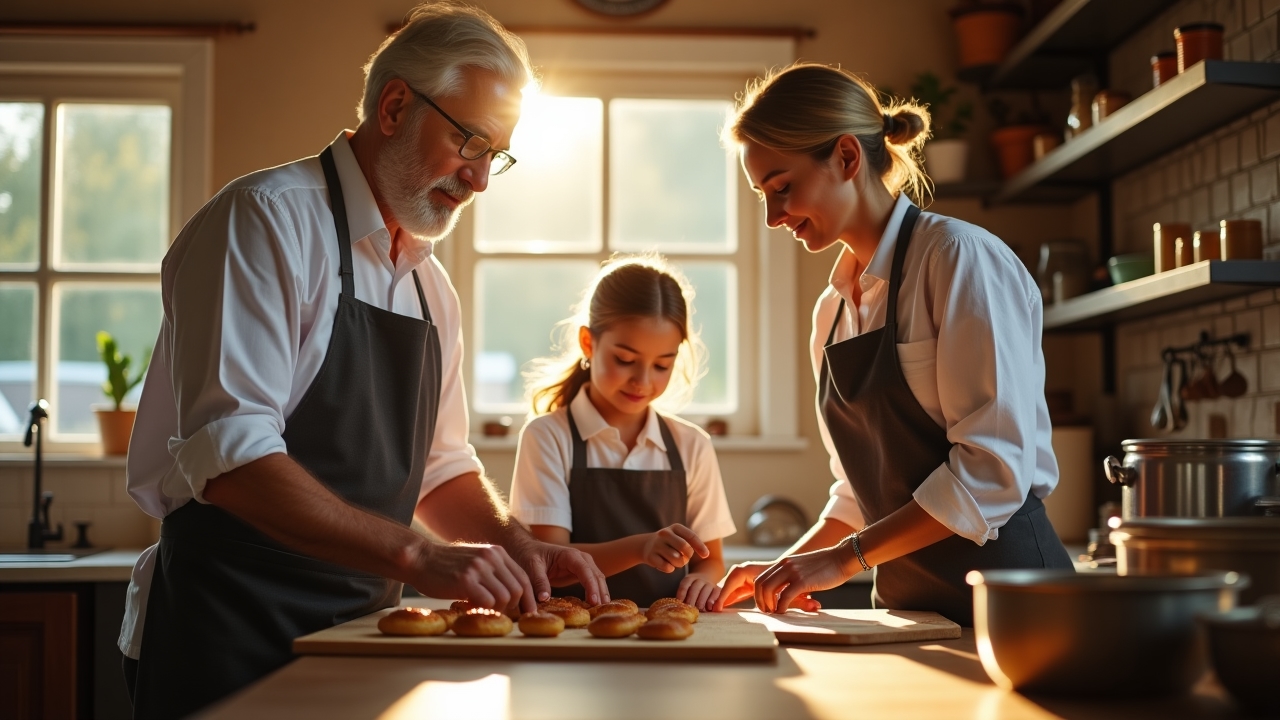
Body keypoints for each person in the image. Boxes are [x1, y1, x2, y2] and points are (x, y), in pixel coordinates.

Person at [118, 4, 606, 716]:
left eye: (493, 155)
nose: (480, 182)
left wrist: (516, 545)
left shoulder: (431, 289)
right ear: (395, 105)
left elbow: (441, 468)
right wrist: (419, 556)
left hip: (363, 641)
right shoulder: (265, 220)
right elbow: (232, 461)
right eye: (469, 142)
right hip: (229, 636)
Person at [714, 63, 1073, 625]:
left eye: (782, 187)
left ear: (848, 158)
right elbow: (861, 495)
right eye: (763, 193)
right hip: (908, 613)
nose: (771, 216)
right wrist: (784, 569)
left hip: (1016, 606)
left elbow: (992, 472)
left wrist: (842, 560)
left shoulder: (956, 259)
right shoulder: (831, 313)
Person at [509, 256, 737, 611]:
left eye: (662, 365)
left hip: (669, 633)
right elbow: (550, 565)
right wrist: (640, 548)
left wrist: (703, 580)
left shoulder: (692, 445)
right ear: (588, 343)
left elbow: (711, 559)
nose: (643, 381)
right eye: (626, 360)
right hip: (574, 635)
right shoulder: (547, 437)